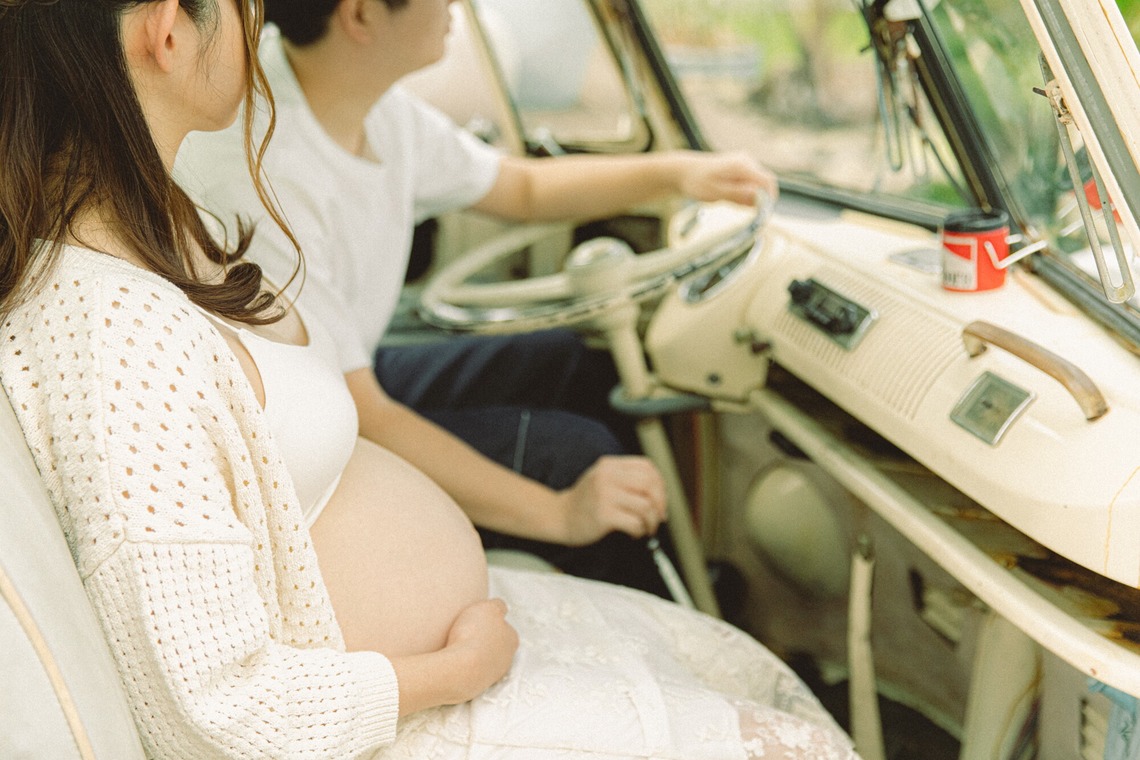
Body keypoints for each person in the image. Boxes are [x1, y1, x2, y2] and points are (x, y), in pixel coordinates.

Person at [0, 0, 858, 757]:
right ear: (167, 29)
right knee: (804, 744)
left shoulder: (159, 219)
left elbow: (512, 187)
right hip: (384, 706)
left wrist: (681, 173)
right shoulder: (119, 329)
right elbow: (215, 713)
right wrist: (453, 671)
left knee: (746, 674)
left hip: (416, 660)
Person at [175, 0, 780, 598]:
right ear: (360, 16)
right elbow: (368, 417)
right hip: (307, 433)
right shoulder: (264, 175)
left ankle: (660, 563)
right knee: (578, 453)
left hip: (357, 376)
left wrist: (677, 174)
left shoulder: (376, 112)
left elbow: (521, 188)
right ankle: (650, 597)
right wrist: (562, 511)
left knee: (577, 359)